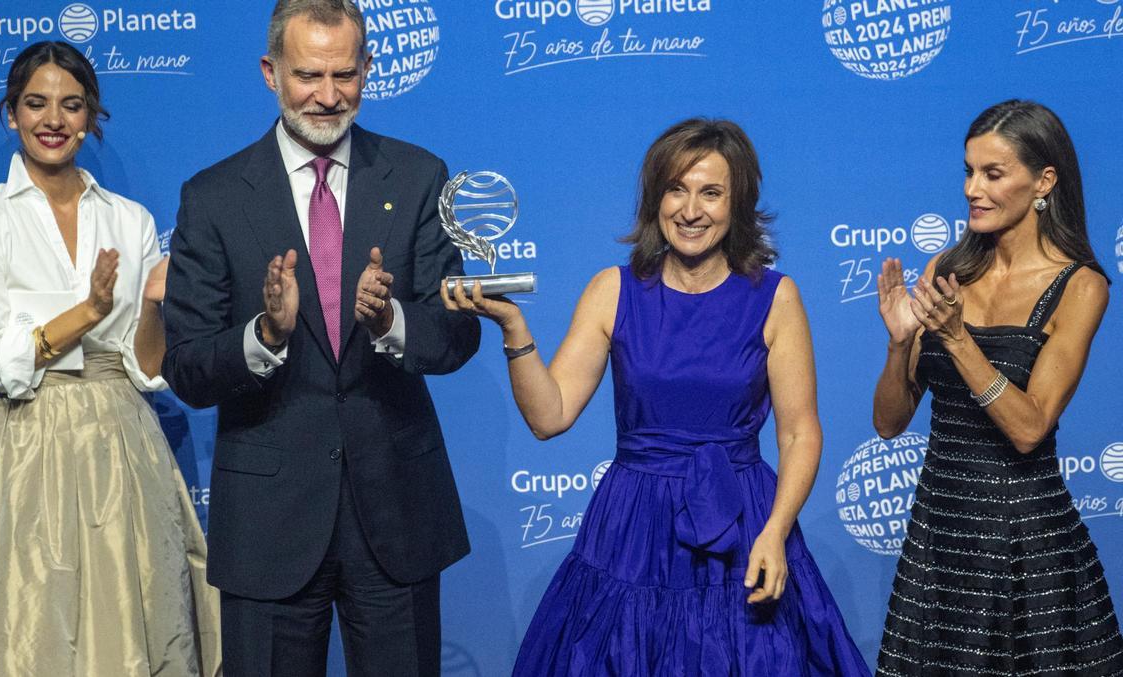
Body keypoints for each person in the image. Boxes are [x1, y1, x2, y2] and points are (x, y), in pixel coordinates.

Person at [445, 118, 870, 676]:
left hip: (743, 522)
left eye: (711, 193)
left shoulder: (775, 297)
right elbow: (549, 417)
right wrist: (514, 330)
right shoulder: (612, 290)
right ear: (655, 198)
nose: (691, 210)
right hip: (632, 526)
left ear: (736, 203)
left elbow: (799, 432)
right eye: (677, 189)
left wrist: (776, 532)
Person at [160, 1, 480, 674]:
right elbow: (186, 365)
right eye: (308, 75)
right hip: (268, 523)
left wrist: (391, 320)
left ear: (368, 68)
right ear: (270, 72)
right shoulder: (213, 197)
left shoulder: (420, 177)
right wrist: (263, 333)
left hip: (397, 512)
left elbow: (456, 332)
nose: (329, 96)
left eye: (345, 74)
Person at [0, 41, 221, 675]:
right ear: (11, 114)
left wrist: (151, 305)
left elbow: (144, 367)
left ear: (91, 119)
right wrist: (87, 311)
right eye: (36, 103)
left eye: (71, 105)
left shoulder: (131, 219)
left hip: (121, 441)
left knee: (132, 622)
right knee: (29, 629)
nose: (53, 119)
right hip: (22, 442)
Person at [873, 100, 1123, 675]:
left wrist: (960, 341)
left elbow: (1030, 427)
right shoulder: (945, 267)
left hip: (1025, 547)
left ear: (1044, 181)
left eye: (992, 173)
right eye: (968, 171)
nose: (972, 189)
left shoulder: (1079, 286)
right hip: (940, 537)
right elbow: (887, 424)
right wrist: (897, 344)